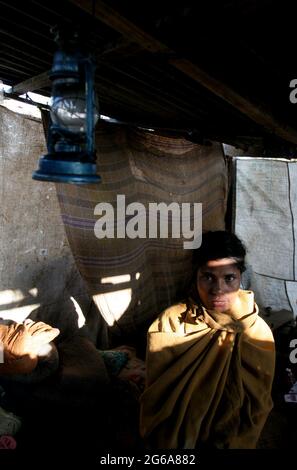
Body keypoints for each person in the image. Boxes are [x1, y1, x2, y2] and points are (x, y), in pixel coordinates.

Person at [140, 230, 275, 449]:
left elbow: (256, 406)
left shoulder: (257, 331)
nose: (218, 290)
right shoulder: (171, 322)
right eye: (208, 277)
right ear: (196, 276)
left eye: (229, 278)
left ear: (241, 278)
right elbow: (159, 398)